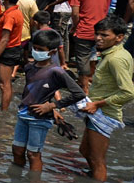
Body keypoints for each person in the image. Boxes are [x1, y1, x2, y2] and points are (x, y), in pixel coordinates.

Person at [12, 30, 83, 171]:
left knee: (33, 154)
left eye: (40, 50)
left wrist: (52, 106)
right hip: (24, 113)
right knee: (17, 150)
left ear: (52, 52)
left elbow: (78, 93)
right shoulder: (29, 67)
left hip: (39, 118)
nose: (36, 51)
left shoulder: (56, 71)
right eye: (35, 48)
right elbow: (33, 92)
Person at [78, 16, 134, 181]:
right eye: (97, 34)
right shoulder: (111, 54)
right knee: (85, 151)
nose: (98, 38)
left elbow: (129, 93)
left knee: (98, 160)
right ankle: (93, 180)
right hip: (96, 110)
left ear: (119, 37)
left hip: (104, 113)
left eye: (104, 35)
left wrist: (97, 103)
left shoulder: (116, 59)